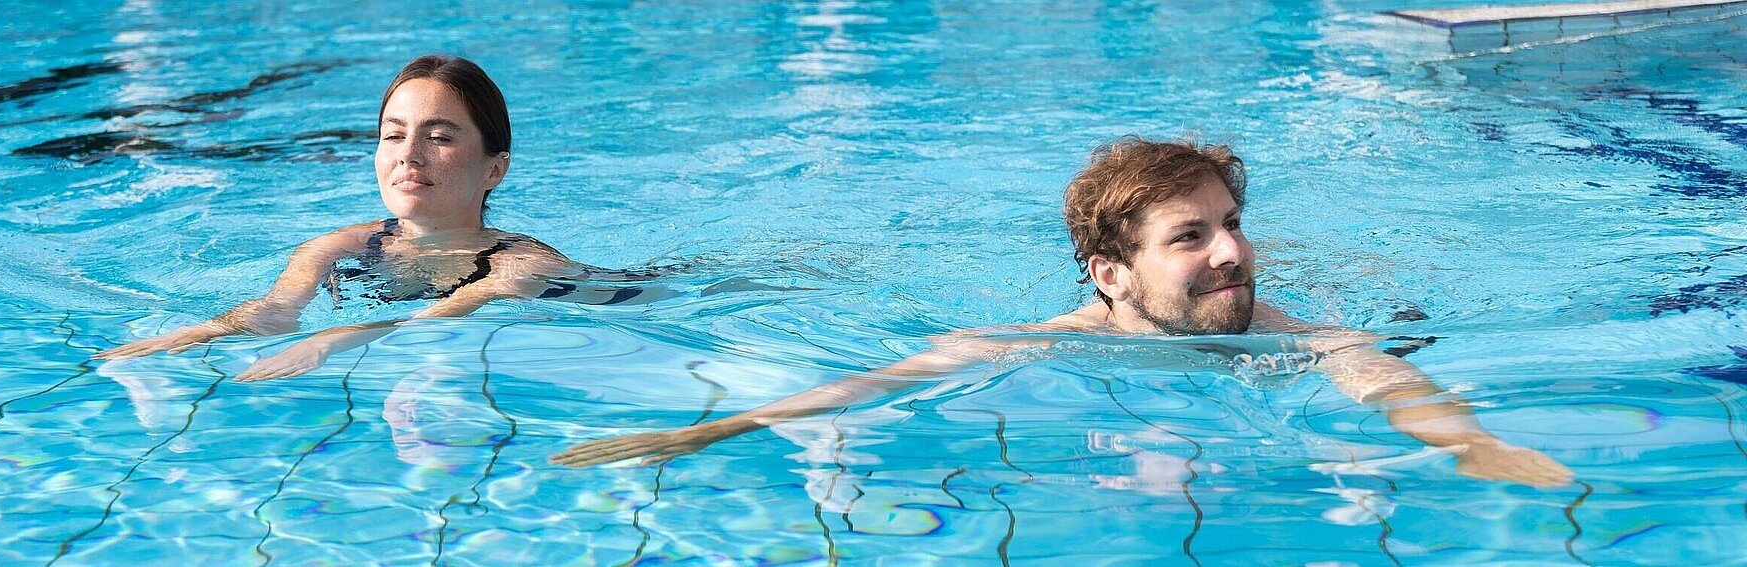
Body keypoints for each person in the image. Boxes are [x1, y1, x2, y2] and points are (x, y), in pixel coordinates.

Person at [552, 136, 1576, 487]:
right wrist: (702, 433)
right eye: (1191, 237)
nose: (1234, 252)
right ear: (1108, 276)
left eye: (1233, 223)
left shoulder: (1300, 334)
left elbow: (1388, 381)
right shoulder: (1023, 345)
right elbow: (866, 387)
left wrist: (1471, 448)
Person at [95, 55, 649, 381]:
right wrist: (205, 331)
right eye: (393, 135)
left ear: (494, 170)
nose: (409, 155)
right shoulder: (334, 247)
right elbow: (277, 310)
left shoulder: (518, 265)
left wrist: (330, 340)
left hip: (643, 299)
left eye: (438, 137)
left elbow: (433, 324)